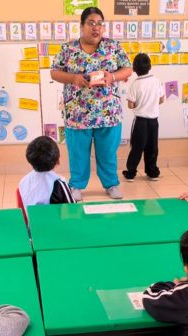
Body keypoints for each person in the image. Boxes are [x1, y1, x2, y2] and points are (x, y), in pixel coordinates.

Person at [51, 7, 133, 201]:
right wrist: (73, 78)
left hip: (108, 112)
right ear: (81, 26)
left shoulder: (113, 47)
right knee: (78, 154)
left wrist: (112, 76)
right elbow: (54, 72)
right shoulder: (68, 49)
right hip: (77, 113)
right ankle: (77, 186)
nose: (96, 28)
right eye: (91, 23)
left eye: (100, 24)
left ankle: (111, 184)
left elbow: (128, 69)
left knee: (108, 153)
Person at [124, 53, 163, 182]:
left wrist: (138, 104)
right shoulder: (156, 81)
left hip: (140, 121)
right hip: (154, 121)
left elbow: (130, 104)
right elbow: (161, 99)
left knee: (137, 147)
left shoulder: (135, 84)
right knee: (152, 146)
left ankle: (131, 173)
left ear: (134, 69)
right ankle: (152, 172)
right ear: (149, 66)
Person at [19, 135, 75, 206]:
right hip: (51, 217)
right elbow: (71, 208)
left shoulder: (24, 181)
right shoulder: (59, 183)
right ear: (58, 161)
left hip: (31, 217)